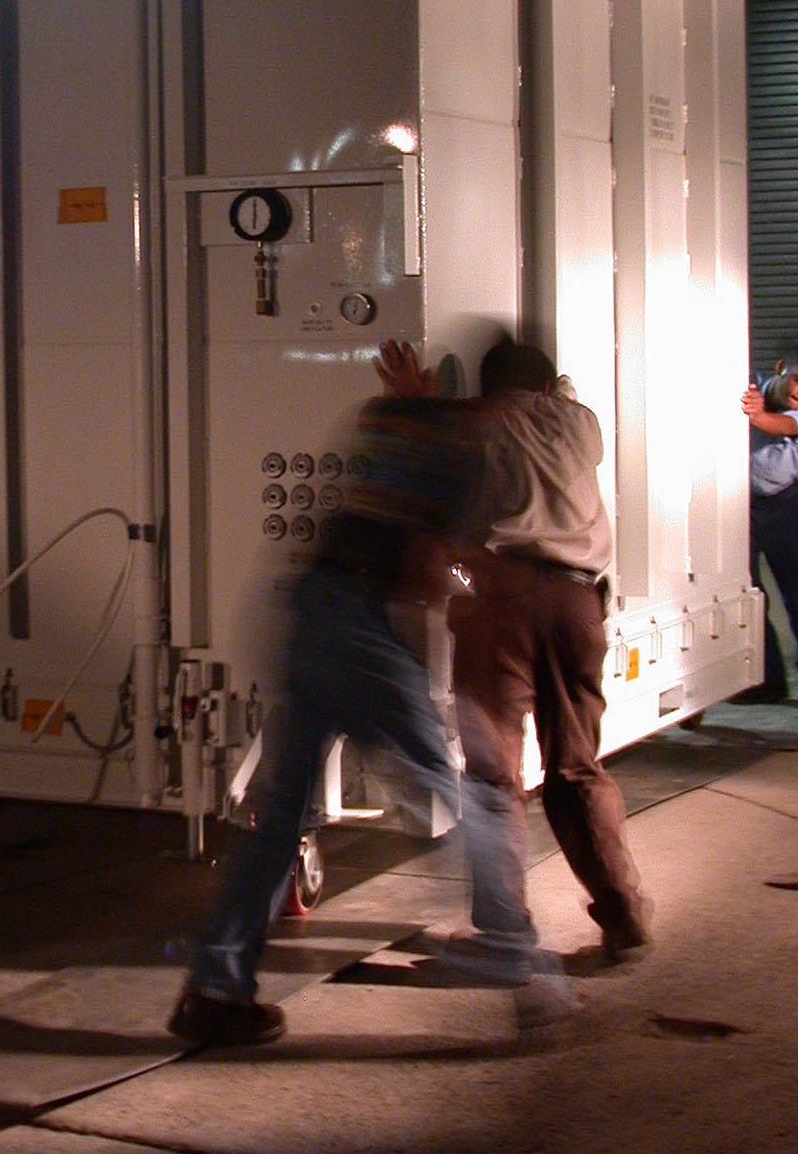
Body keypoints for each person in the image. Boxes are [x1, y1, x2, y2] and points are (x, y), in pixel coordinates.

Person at [168, 389, 555, 1048]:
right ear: (506, 409)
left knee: (279, 817)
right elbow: (423, 571)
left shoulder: (394, 422)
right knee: (454, 782)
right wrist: (431, 685)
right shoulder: (464, 456)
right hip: (362, 629)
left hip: (309, 608)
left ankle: (215, 988)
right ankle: (513, 947)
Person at [445, 335, 650, 968]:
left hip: (501, 601)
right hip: (578, 602)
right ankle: (623, 915)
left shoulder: (475, 422)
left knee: (495, 773)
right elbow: (557, 395)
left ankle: (505, 933)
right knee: (576, 765)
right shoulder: (579, 424)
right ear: (544, 384)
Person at [742, 348, 798, 699]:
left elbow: (783, 425)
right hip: (741, 507)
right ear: (780, 369)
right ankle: (769, 680)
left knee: (797, 591)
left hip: (785, 505)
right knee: (753, 594)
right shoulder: (751, 386)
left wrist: (755, 415)